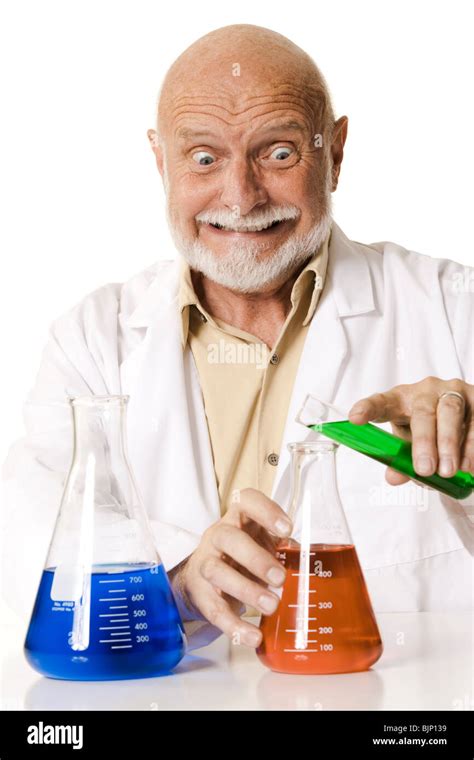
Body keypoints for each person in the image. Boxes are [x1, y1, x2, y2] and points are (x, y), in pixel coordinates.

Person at [3, 24, 473, 650]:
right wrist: (175, 582)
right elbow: (31, 542)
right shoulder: (93, 341)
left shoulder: (453, 311)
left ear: (334, 152)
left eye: (278, 153)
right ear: (160, 161)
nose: (241, 197)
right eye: (204, 158)